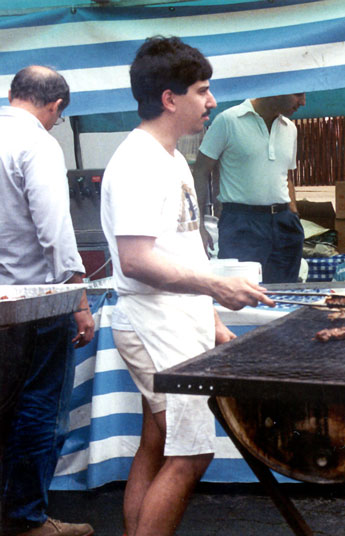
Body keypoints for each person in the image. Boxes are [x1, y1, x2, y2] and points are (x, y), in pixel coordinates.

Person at [100, 37, 273, 536]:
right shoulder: (137, 162)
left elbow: (183, 250)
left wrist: (212, 321)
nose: (212, 102)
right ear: (169, 99)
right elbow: (135, 261)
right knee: (191, 454)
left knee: (156, 442)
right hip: (155, 324)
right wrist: (218, 289)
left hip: (176, 320)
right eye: (202, 91)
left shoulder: (172, 158)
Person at [0, 66, 95, 536]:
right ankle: (26, 520)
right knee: (38, 407)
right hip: (34, 303)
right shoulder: (37, 142)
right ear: (55, 106)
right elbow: (56, 232)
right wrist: (78, 298)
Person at [193, 91, 306, 283]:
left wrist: (294, 215)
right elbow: (201, 172)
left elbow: (285, 175)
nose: (303, 102)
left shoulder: (290, 128)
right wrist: (198, 226)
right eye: (298, 94)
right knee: (241, 294)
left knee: (287, 292)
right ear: (278, 90)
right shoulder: (228, 121)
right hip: (242, 223)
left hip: (283, 223)